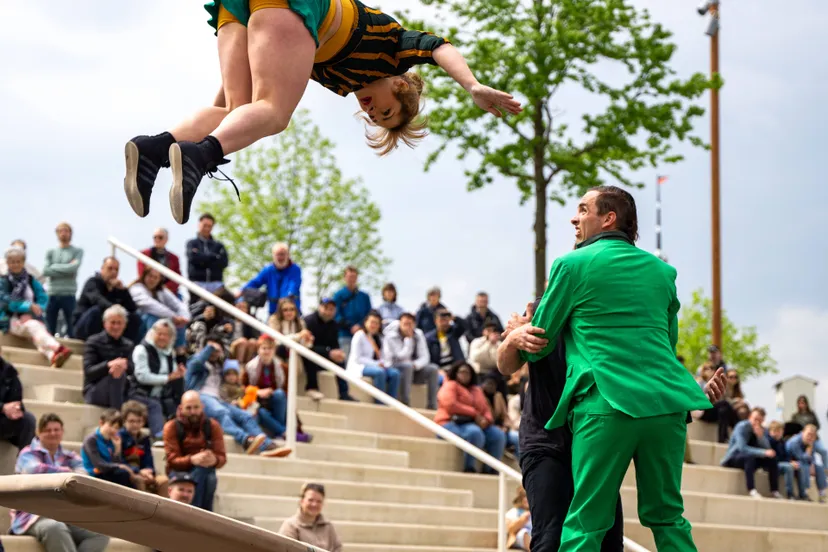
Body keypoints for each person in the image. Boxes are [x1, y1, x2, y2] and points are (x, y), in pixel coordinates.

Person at [122, 0, 521, 225]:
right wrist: (472, 85)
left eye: (374, 118)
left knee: (234, 108)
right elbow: (439, 47)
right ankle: (200, 155)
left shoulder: (339, 80)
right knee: (276, 114)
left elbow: (233, 103)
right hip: (296, 4)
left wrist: (221, 121)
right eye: (384, 110)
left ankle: (153, 150)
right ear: (400, 85)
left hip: (242, 6)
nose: (370, 110)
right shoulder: (395, 50)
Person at [517, 186, 716, 550]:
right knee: (668, 516)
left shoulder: (570, 265)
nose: (574, 217)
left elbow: (538, 344)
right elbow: (667, 347)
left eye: (582, 209)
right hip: (667, 408)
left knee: (585, 523)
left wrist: (517, 335)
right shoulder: (663, 272)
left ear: (608, 218)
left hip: (606, 405)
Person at [498, 299, 726, 552]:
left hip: (595, 443)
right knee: (551, 538)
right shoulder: (545, 311)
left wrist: (696, 395)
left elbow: (651, 372)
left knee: (608, 541)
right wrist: (513, 338)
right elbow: (505, 365)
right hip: (547, 442)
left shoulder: (612, 320)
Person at [11, 413, 110, 552]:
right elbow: (36, 470)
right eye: (48, 430)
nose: (53, 433)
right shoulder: (28, 453)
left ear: (62, 432)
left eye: (56, 430)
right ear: (38, 433)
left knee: (100, 534)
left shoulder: (69, 455)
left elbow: (83, 475)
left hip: (63, 514)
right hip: (33, 515)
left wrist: (64, 474)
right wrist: (67, 473)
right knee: (55, 527)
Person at [0, 247, 73, 367]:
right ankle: (57, 348)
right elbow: (6, 301)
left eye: (18, 261)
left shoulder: (30, 279)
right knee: (34, 326)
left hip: (30, 318)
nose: (15, 264)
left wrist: (38, 307)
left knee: (36, 328)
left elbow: (42, 296)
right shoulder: (3, 281)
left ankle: (53, 356)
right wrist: (27, 307)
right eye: (12, 262)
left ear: (23, 262)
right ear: (7, 263)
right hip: (9, 319)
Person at [434, 361, 505, 474]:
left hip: (473, 423)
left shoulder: (476, 390)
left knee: (498, 435)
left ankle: (490, 469)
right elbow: (450, 404)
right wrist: (474, 413)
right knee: (474, 433)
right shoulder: (450, 385)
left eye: (468, 373)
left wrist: (486, 420)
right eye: (462, 372)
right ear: (456, 373)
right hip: (449, 422)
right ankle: (469, 467)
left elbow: (486, 408)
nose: (465, 375)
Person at [163, 391, 227, 511]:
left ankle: (201, 514)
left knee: (207, 475)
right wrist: (193, 459)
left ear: (202, 406)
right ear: (181, 408)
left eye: (196, 407)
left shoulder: (213, 426)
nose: (193, 412)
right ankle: (201, 514)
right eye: (188, 408)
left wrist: (214, 460)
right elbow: (172, 460)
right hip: (179, 471)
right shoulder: (171, 427)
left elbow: (222, 458)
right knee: (203, 474)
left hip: (205, 470)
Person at [129, 318, 186, 438]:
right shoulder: (141, 350)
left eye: (166, 335)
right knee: (154, 405)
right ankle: (159, 435)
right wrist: (167, 378)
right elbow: (142, 377)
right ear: (152, 333)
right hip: (139, 393)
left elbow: (174, 375)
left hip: (162, 395)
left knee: (178, 407)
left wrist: (179, 374)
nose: (162, 338)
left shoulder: (170, 353)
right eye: (159, 334)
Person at [73, 256, 142, 342]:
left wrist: (123, 291)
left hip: (106, 328)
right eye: (110, 268)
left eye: (116, 270)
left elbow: (132, 308)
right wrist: (116, 309)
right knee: (97, 311)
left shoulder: (118, 289)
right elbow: (97, 300)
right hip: (83, 326)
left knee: (134, 317)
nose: (113, 272)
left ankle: (129, 346)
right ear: (102, 269)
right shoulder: (92, 282)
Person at [720, 407, 781, 499]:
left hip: (750, 460)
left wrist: (760, 437)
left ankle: (774, 491)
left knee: (772, 458)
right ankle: (751, 489)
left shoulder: (761, 430)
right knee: (750, 457)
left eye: (760, 420)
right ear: (750, 417)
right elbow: (742, 448)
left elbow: (768, 449)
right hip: (733, 458)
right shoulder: (742, 427)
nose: (757, 422)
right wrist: (763, 452)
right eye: (755, 419)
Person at [82, 305, 135, 410]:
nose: (116, 326)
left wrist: (124, 365)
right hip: (95, 390)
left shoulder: (129, 345)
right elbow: (89, 372)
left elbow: (133, 369)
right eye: (112, 322)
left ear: (124, 325)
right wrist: (108, 365)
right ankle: (117, 416)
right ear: (105, 324)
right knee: (116, 373)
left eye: (119, 323)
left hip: (122, 389)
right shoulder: (93, 341)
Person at [382, 314, 439, 410]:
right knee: (407, 366)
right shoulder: (390, 336)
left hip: (413, 369)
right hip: (394, 368)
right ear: (400, 323)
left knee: (433, 369)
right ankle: (405, 402)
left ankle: (432, 406)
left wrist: (416, 365)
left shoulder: (418, 334)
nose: (408, 327)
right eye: (405, 324)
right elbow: (398, 357)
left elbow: (425, 357)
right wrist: (408, 340)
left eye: (410, 324)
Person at [304, 298, 354, 401]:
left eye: (331, 309)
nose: (328, 312)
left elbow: (334, 345)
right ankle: (312, 388)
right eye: (325, 308)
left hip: (324, 355)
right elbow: (307, 346)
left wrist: (338, 353)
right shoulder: (309, 321)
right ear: (319, 307)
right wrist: (329, 352)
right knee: (311, 355)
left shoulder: (333, 325)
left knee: (340, 360)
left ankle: (344, 394)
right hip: (307, 355)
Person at [346, 311, 401, 403]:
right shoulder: (359, 335)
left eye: (377, 323)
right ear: (366, 322)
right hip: (360, 366)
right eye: (372, 322)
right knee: (380, 372)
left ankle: (392, 403)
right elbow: (357, 358)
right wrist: (377, 364)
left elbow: (384, 356)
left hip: (378, 366)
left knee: (395, 373)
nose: (374, 325)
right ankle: (380, 403)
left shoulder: (379, 338)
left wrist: (383, 363)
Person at [129, 268, 191, 349]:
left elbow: (178, 304)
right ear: (144, 276)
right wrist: (173, 317)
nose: (152, 280)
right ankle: (153, 348)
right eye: (150, 276)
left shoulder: (161, 290)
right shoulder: (136, 288)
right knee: (152, 317)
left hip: (159, 322)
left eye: (156, 277)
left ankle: (180, 351)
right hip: (138, 328)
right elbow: (151, 305)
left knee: (180, 323)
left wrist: (184, 318)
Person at [43, 222, 83, 337]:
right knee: (49, 327)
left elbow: (74, 267)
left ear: (71, 233)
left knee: (72, 327)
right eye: (61, 231)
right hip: (52, 293)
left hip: (69, 293)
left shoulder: (77, 251)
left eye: (66, 230)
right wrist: (67, 268)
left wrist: (54, 267)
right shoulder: (50, 252)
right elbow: (45, 270)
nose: (63, 233)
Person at [120, 400, 169, 495]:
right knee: (139, 480)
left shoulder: (144, 439)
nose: (135, 425)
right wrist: (139, 471)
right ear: (124, 421)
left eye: (139, 421)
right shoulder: (119, 437)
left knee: (163, 480)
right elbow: (119, 461)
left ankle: (162, 509)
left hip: (145, 473)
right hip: (130, 473)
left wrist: (149, 471)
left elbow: (149, 460)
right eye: (131, 421)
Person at [81, 408, 138, 488]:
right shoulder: (91, 440)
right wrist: (119, 466)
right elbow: (99, 464)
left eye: (117, 428)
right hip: (95, 473)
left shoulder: (112, 440)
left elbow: (114, 462)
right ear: (101, 423)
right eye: (111, 426)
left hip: (109, 472)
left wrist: (117, 450)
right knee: (123, 473)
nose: (113, 430)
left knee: (130, 475)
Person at [278, 482, 343, 552]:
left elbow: (338, 548)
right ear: (302, 501)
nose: (314, 504)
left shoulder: (328, 526)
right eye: (310, 500)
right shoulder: (290, 525)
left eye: (319, 501)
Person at [242, 242, 302, 314]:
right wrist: (241, 292)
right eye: (278, 255)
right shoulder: (268, 270)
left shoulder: (295, 269)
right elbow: (255, 282)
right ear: (273, 256)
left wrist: (286, 299)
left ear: (288, 255)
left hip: (290, 311)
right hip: (274, 312)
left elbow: (293, 285)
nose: (280, 257)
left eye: (282, 254)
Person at [0, 346, 36, 450]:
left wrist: (15, 409)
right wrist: (2, 407)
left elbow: (17, 398)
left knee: (28, 420)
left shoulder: (8, 371)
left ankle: (26, 462)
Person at [333, 266, 372, 356]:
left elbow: (369, 314)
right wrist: (350, 326)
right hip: (344, 334)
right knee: (345, 359)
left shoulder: (364, 296)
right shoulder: (338, 295)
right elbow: (336, 314)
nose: (352, 279)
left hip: (362, 334)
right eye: (349, 277)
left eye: (354, 277)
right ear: (344, 278)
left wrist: (360, 326)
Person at [786, 424, 827, 503]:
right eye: (809, 434)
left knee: (819, 467)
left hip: (803, 461)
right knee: (804, 466)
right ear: (803, 432)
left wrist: (812, 463)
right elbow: (800, 457)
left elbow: (811, 458)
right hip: (790, 461)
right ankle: (804, 493)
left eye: (813, 436)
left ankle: (822, 494)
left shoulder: (811, 442)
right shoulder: (795, 441)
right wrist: (809, 452)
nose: (810, 437)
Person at [137, 228, 182, 296]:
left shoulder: (174, 258)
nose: (157, 239)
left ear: (166, 239)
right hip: (148, 290)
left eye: (160, 237)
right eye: (155, 237)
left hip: (168, 292)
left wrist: (165, 288)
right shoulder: (144, 254)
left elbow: (177, 278)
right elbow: (141, 274)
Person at [767, 420, 799, 500]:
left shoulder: (782, 442)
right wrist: (788, 463)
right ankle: (790, 493)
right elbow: (773, 458)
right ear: (770, 431)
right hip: (771, 465)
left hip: (782, 463)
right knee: (788, 467)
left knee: (798, 466)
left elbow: (786, 456)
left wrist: (791, 462)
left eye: (779, 431)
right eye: (775, 431)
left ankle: (802, 493)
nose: (777, 433)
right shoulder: (769, 441)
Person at [505, 486, 532, 551]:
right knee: (524, 533)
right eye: (525, 497)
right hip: (520, 536)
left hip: (534, 535)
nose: (527, 499)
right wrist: (522, 520)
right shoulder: (513, 512)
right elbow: (510, 529)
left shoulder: (536, 512)